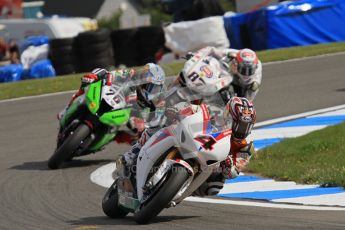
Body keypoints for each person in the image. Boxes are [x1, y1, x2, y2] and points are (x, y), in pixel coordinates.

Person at [57, 63, 166, 144]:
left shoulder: (151, 103)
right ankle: (67, 108)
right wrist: (95, 76)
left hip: (122, 116)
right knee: (85, 87)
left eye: (154, 88)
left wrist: (143, 125)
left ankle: (114, 140)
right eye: (148, 84)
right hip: (111, 98)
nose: (151, 90)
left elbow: (151, 120)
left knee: (137, 136)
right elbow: (108, 73)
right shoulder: (131, 74)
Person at [193, 96, 256, 196]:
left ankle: (183, 190)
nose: (242, 130)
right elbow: (194, 109)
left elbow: (234, 172)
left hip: (209, 166)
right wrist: (180, 109)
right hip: (193, 142)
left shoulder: (245, 148)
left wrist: (228, 166)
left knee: (214, 187)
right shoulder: (213, 113)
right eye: (239, 124)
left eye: (246, 127)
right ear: (228, 116)